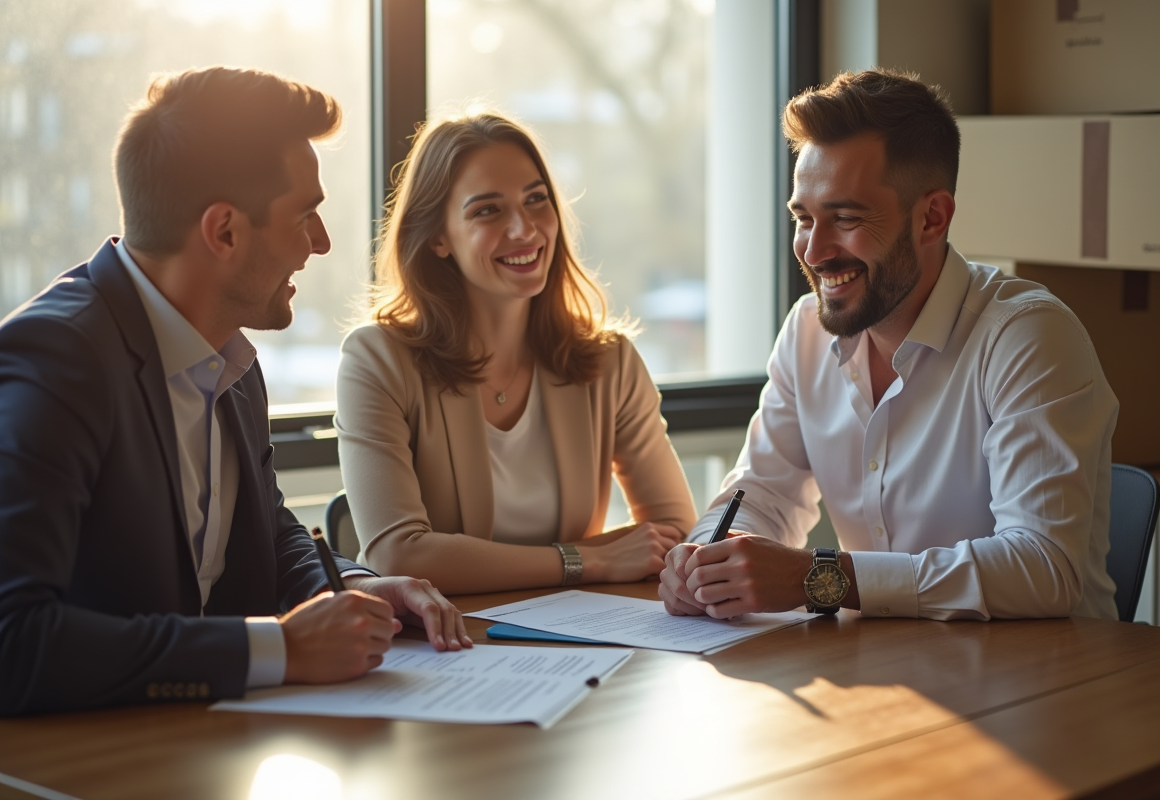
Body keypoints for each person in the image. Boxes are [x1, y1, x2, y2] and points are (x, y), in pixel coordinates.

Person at [0, 67, 470, 718]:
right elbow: (13, 640)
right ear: (223, 231)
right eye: (306, 215)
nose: (322, 242)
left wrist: (356, 588)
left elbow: (267, 532)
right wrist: (277, 649)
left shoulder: (230, 358)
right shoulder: (57, 359)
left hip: (203, 746)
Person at [659, 69, 1119, 622]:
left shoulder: (1027, 336)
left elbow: (1044, 568)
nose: (815, 250)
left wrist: (820, 577)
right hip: (888, 675)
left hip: (1051, 687)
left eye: (846, 218)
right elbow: (762, 492)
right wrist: (705, 557)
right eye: (804, 218)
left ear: (931, 218)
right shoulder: (807, 331)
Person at [336, 111, 696, 594]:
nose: (524, 229)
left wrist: (598, 560)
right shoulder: (377, 359)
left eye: (536, 200)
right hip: (443, 644)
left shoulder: (609, 360)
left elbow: (673, 530)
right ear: (439, 237)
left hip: (576, 640)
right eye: (488, 210)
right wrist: (585, 560)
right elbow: (398, 553)